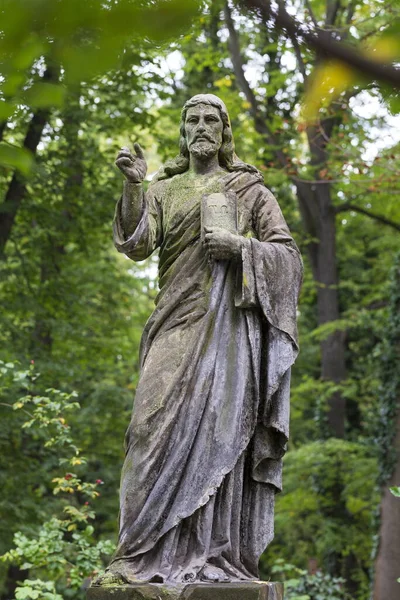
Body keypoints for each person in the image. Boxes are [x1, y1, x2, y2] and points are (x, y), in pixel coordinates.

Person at [102, 94, 302, 585]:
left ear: (225, 130)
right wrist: (133, 188)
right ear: (183, 130)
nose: (201, 126)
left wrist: (240, 248)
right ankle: (138, 554)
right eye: (192, 119)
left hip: (227, 335)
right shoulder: (164, 189)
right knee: (147, 429)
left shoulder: (249, 190)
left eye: (211, 118)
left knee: (217, 432)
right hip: (175, 322)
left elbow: (288, 258)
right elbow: (136, 243)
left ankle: (211, 554)